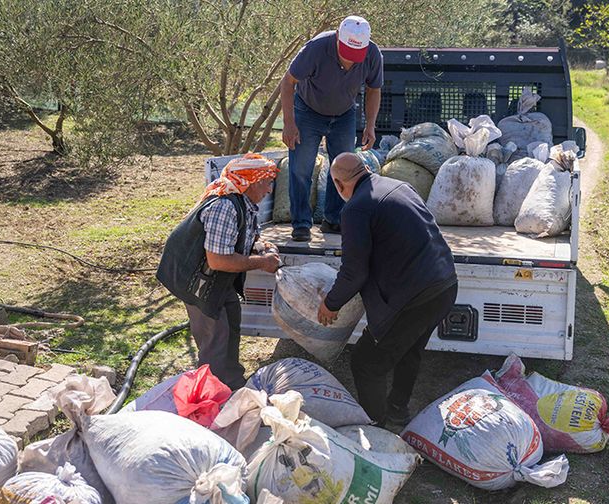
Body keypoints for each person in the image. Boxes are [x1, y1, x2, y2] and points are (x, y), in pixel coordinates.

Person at [317, 152, 458, 426]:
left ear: (338, 184)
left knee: (365, 362)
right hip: (444, 285)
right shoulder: (398, 186)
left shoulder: (356, 208)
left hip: (415, 297)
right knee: (409, 350)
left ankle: (375, 426)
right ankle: (397, 409)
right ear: (366, 169)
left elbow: (354, 272)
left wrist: (330, 304)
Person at [157, 153, 281, 390]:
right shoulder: (225, 206)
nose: (269, 189)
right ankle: (210, 398)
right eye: (267, 182)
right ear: (252, 182)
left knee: (231, 323)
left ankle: (232, 385)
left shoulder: (244, 204)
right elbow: (218, 260)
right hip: (197, 280)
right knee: (215, 340)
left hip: (216, 279)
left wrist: (262, 246)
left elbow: (246, 236)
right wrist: (262, 262)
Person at [279, 15, 383, 242]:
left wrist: (370, 125)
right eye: (347, 53)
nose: (350, 62)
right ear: (337, 37)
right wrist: (289, 123)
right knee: (301, 168)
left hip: (345, 113)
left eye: (356, 56)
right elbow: (287, 82)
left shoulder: (373, 54)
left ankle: (333, 219)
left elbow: (374, 89)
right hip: (307, 111)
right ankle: (301, 224)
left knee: (345, 168)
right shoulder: (315, 49)